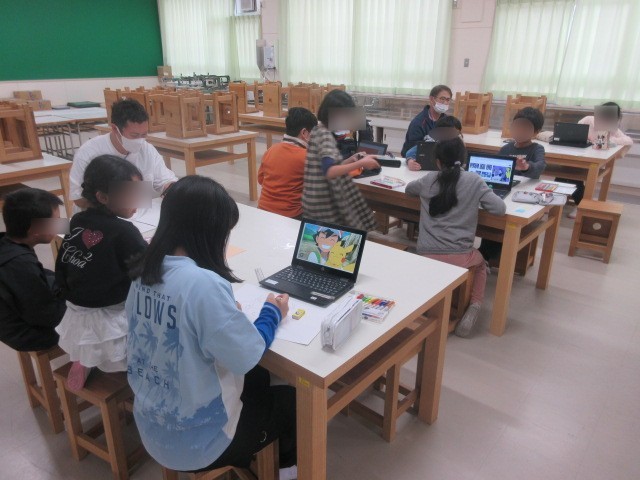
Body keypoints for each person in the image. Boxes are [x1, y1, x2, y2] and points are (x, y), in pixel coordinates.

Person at [126, 176, 297, 479]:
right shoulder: (203, 284)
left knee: (259, 379)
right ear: (210, 232)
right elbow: (248, 355)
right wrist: (272, 312)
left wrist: (224, 315)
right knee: (292, 402)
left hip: (151, 423)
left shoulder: (144, 269)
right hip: (200, 442)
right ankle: (287, 473)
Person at [56, 155, 148, 391]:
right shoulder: (124, 231)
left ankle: (83, 359)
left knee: (91, 342)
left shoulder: (77, 220)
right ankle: (138, 380)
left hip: (75, 310)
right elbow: (148, 270)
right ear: (103, 197)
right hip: (110, 316)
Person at [405, 136, 506, 338]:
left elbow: (409, 190)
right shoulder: (474, 180)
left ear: (438, 162)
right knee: (482, 265)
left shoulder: (429, 179)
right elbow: (499, 209)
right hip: (460, 256)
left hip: (426, 254)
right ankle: (474, 306)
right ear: (464, 159)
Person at [70, 99, 177, 210]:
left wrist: (173, 189)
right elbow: (78, 198)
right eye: (134, 135)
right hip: (101, 214)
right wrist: (115, 206)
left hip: (139, 212)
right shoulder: (89, 152)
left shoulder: (147, 150)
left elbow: (165, 181)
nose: (140, 140)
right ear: (115, 129)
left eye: (144, 134)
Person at [302, 89, 379, 231]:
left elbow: (326, 167)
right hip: (324, 205)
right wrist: (361, 163)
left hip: (314, 199)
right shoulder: (325, 136)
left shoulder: (317, 130)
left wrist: (351, 160)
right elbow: (329, 171)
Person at [0, 188, 67, 352]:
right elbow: (47, 316)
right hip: (26, 333)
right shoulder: (21, 264)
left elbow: (38, 277)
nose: (61, 225)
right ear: (35, 229)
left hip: (18, 316)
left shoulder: (7, 243)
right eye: (55, 222)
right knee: (91, 317)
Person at [562, 102, 633, 218]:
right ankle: (561, 201)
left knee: (570, 176)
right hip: (576, 155)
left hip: (593, 161)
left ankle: (581, 205)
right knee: (564, 174)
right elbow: (575, 132)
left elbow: (628, 140)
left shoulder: (612, 129)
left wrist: (611, 141)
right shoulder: (588, 120)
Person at [258, 107, 318, 218]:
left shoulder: (271, 150)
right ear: (304, 133)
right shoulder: (306, 157)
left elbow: (261, 180)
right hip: (290, 216)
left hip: (262, 211)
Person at [401, 85, 453, 157]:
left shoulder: (447, 122)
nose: (445, 102)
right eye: (442, 99)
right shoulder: (418, 123)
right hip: (415, 159)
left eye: (448, 100)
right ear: (431, 99)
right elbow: (413, 151)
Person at [500, 107, 546, 178]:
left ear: (536, 132)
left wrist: (526, 167)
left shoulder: (537, 149)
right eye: (517, 127)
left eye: (525, 129)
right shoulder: (505, 149)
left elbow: (540, 166)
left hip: (527, 184)